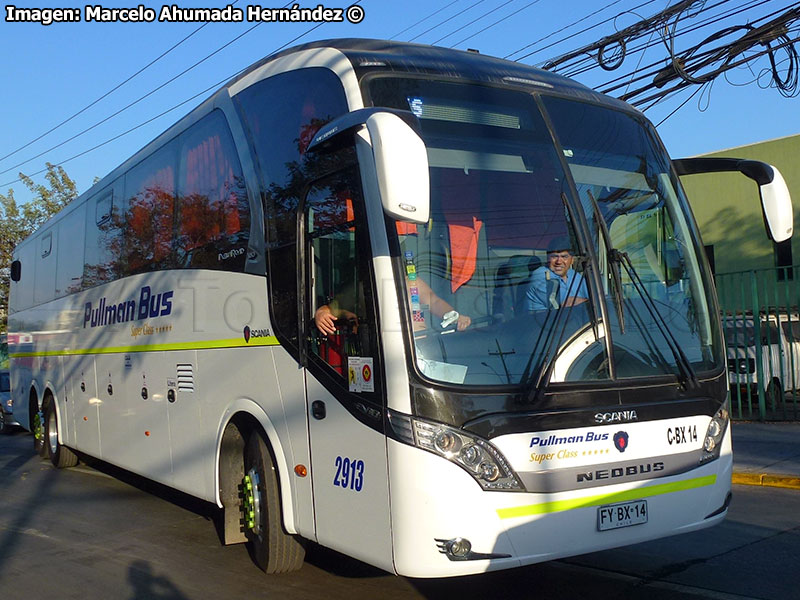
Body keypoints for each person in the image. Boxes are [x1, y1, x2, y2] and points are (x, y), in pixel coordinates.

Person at [315, 276, 471, 335]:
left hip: (420, 352)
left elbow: (435, 302)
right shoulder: (364, 286)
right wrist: (321, 313)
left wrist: (455, 316)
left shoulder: (412, 282)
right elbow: (333, 308)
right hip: (385, 358)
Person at [525, 237, 588, 312]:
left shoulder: (573, 274)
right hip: (543, 322)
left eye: (564, 257)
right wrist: (588, 301)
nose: (559, 261)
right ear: (548, 258)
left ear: (572, 260)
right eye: (554, 256)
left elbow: (594, 296)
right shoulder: (540, 275)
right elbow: (566, 303)